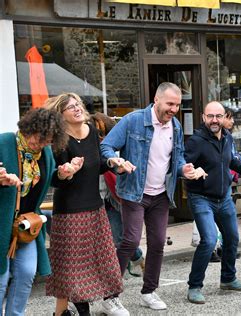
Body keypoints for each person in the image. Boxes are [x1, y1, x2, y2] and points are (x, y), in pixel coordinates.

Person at [101, 82, 200, 311]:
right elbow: (106, 146)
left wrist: (184, 169)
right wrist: (115, 161)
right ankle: (110, 296)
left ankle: (149, 291)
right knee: (131, 241)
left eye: (177, 104)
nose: (174, 109)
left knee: (157, 244)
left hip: (161, 195)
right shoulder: (133, 120)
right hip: (134, 192)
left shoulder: (174, 126)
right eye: (170, 104)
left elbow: (177, 158)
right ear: (156, 100)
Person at [46, 93, 130, 316]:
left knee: (104, 265)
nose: (77, 109)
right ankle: (79, 310)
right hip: (70, 214)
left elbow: (97, 165)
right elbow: (52, 178)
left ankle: (105, 302)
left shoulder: (91, 131)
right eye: (70, 107)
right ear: (61, 115)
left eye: (78, 105)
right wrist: (65, 173)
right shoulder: (58, 139)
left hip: (96, 209)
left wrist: (113, 164)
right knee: (74, 271)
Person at [184, 101, 241, 304]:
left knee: (232, 238)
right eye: (210, 116)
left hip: (224, 197)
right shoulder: (196, 141)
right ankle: (194, 286)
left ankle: (228, 279)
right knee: (209, 240)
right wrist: (191, 172)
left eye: (218, 116)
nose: (214, 120)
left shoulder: (227, 138)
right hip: (201, 197)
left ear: (224, 118)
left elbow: (233, 161)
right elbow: (184, 165)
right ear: (203, 117)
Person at [0, 109, 68, 316]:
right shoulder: (4, 143)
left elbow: (49, 179)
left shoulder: (45, 153)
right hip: (2, 224)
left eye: (47, 141)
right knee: (1, 279)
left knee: (27, 273)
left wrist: (63, 174)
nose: (40, 145)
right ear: (29, 128)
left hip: (26, 225)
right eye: (39, 139)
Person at [91, 113, 145, 276]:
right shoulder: (87, 146)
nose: (99, 137)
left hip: (112, 199)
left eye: (101, 133)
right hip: (94, 199)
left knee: (121, 238)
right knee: (99, 240)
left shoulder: (113, 148)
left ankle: (138, 260)